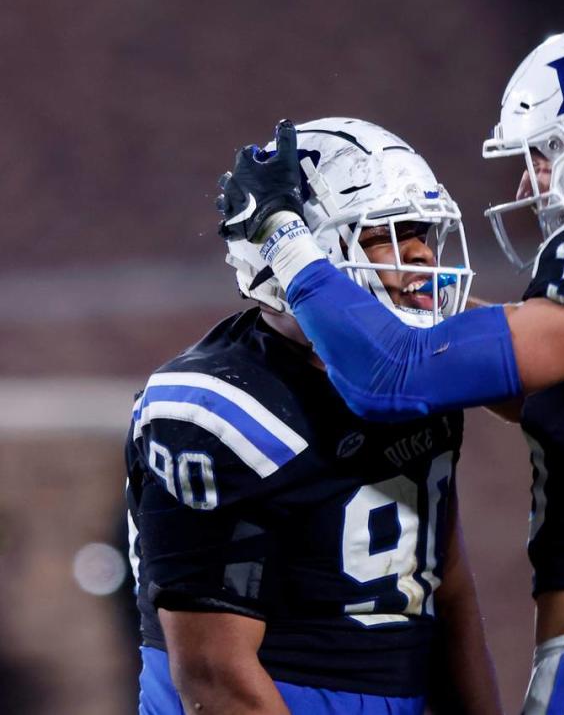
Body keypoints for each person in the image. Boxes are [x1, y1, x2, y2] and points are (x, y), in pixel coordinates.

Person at [217, 25, 564, 714]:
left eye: (547, 152)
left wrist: (283, 235)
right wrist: (397, 288)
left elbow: (393, 376)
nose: (530, 179)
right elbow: (552, 394)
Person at [125, 117, 501, 715]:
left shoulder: (420, 371)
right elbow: (213, 677)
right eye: (385, 234)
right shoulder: (219, 405)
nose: (422, 255)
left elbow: (442, 581)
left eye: (423, 231)